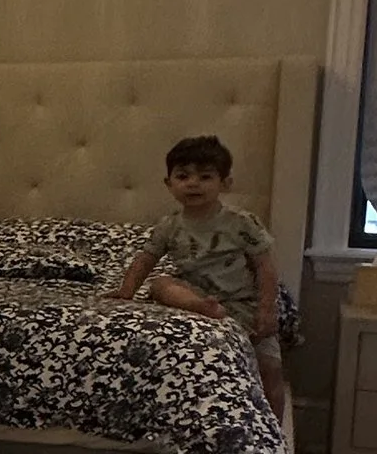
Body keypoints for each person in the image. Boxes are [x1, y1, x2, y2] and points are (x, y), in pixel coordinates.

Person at [110, 134, 286, 408]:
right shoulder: (169, 225)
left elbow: (265, 266)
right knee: (161, 284)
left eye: (205, 177)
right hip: (196, 296)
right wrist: (126, 291)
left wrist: (267, 308)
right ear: (169, 184)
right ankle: (201, 307)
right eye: (183, 176)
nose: (193, 183)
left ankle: (276, 440)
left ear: (224, 183)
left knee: (271, 371)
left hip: (243, 303)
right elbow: (146, 259)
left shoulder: (241, 223)